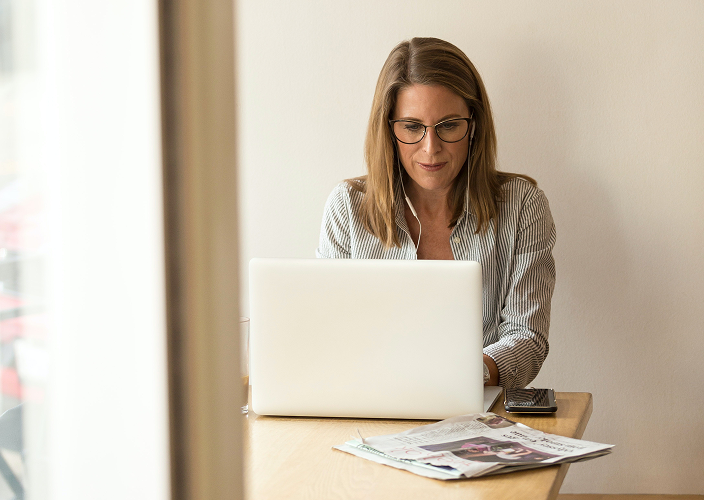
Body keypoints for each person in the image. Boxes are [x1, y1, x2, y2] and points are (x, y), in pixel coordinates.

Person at [316, 37, 555, 389]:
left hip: (479, 412)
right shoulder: (347, 207)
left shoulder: (522, 205)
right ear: (389, 130)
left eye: (448, 125)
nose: (431, 148)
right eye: (412, 127)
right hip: (369, 407)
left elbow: (528, 338)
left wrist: (466, 374)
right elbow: (328, 335)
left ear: (473, 125)